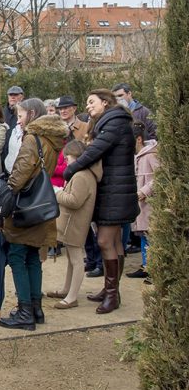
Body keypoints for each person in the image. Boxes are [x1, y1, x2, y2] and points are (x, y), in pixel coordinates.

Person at [64, 89, 139, 314]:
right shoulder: (112, 121)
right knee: (114, 241)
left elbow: (94, 152)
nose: (88, 106)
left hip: (116, 190)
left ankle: (112, 294)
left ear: (106, 103)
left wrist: (71, 169)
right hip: (114, 189)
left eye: (91, 102)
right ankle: (110, 289)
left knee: (106, 241)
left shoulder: (114, 123)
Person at [0, 98, 67, 330]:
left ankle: (25, 310)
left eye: (20, 116)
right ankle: (36, 308)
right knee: (32, 257)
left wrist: (9, 190)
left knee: (17, 256)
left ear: (31, 114)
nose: (18, 120)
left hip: (26, 206)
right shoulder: (52, 139)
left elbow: (22, 170)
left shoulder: (32, 138)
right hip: (42, 204)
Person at [48, 140, 102, 308]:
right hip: (74, 222)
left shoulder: (81, 175)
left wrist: (57, 193)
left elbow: (74, 201)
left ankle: (71, 297)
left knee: (77, 260)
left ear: (77, 157)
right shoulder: (85, 173)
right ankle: (67, 290)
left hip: (75, 222)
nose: (66, 162)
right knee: (72, 259)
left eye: (68, 158)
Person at [127, 122, 158, 280]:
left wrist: (143, 191)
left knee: (150, 236)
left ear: (138, 139)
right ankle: (146, 266)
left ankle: (152, 268)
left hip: (149, 203)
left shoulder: (152, 155)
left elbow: (159, 176)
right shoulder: (135, 157)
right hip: (140, 204)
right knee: (143, 236)